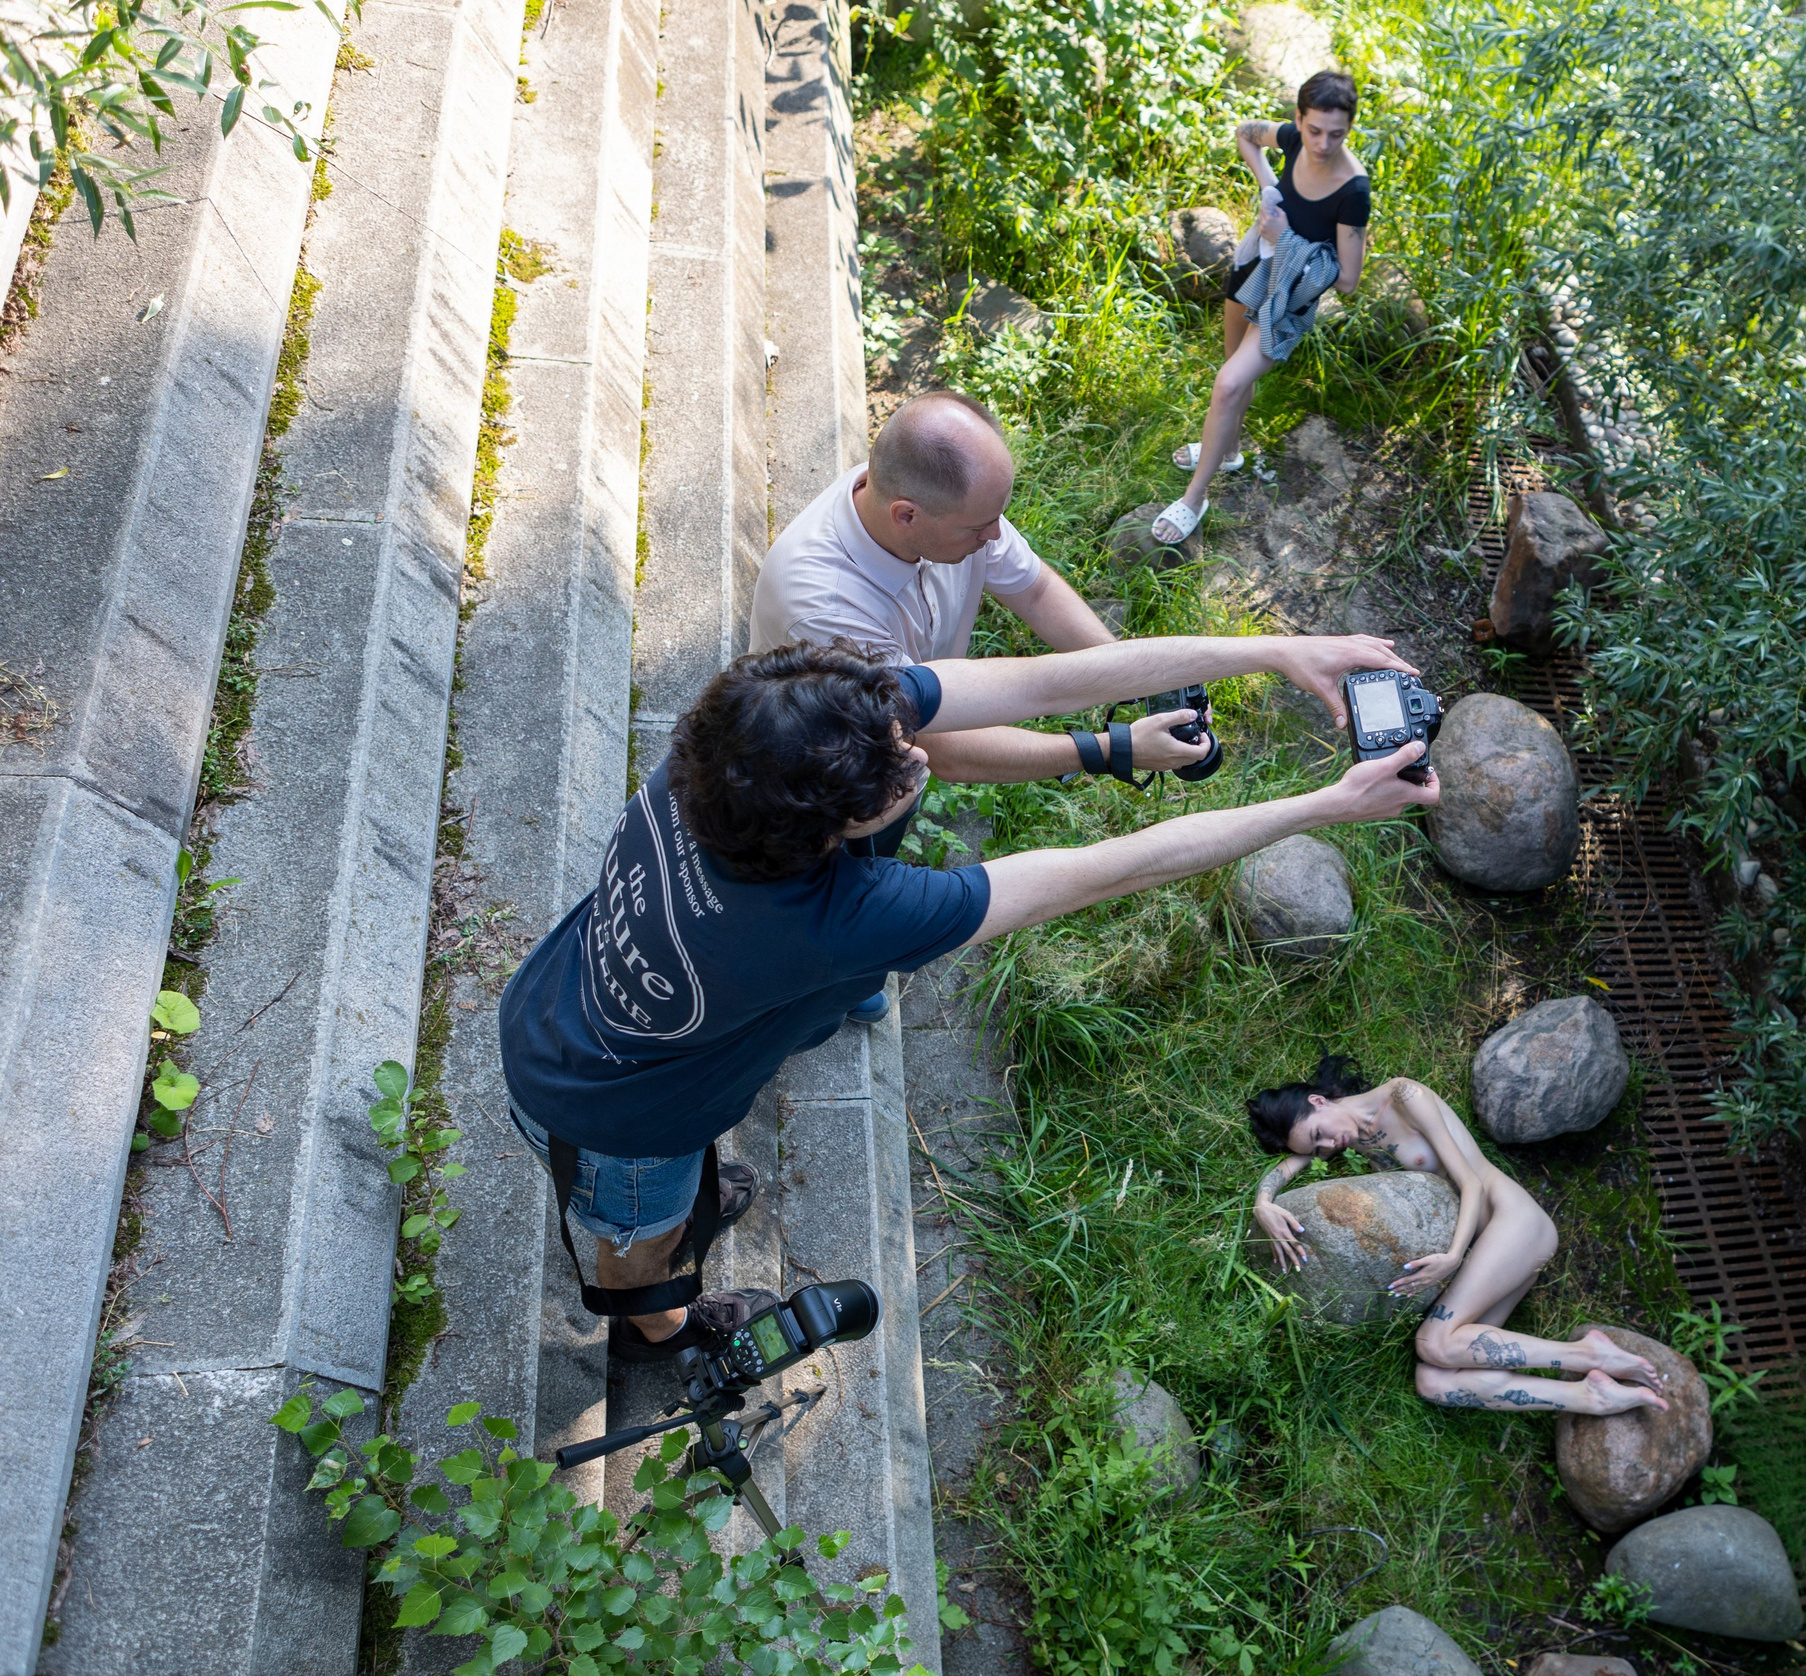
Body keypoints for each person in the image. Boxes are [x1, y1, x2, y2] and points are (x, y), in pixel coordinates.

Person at [499, 633, 1436, 1359]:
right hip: (611, 1112)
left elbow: (1041, 678)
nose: (917, 758)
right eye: (892, 776)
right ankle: (656, 1323)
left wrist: (1273, 652)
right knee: (639, 1232)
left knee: (676, 1180)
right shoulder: (827, 919)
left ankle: (672, 1230)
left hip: (563, 997)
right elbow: (1108, 869)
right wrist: (1326, 804)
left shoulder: (748, 744)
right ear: (820, 835)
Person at [752, 390, 1210, 793]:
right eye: (979, 526)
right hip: (825, 784)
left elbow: (1034, 590)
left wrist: (1133, 677)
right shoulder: (824, 608)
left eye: (998, 515)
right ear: (906, 515)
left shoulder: (929, 495)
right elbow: (939, 745)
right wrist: (1113, 750)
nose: (996, 536)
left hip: (902, 749)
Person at [1246, 1055, 1667, 1415]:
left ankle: (1589, 1354)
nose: (1329, 1147)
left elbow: (1472, 1183)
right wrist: (1263, 1203)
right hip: (1493, 1253)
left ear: (1318, 1101)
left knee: (1433, 1342)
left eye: (1320, 1134)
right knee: (1435, 1382)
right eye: (1318, 1149)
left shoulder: (1404, 1097)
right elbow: (1288, 1168)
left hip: (1514, 1224)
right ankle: (1588, 1395)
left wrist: (1452, 1255)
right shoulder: (1348, 1140)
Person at [1154, 71, 1371, 547]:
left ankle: (1194, 499)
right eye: (1314, 130)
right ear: (1299, 118)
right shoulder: (1293, 139)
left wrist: (1285, 239)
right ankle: (1227, 451)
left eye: (1337, 134)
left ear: (1349, 128)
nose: (1323, 143)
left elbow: (1349, 280)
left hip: (1288, 303)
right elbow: (1245, 133)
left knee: (1229, 383)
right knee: (1233, 376)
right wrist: (1269, 184)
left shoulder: (1353, 190)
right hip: (1253, 269)